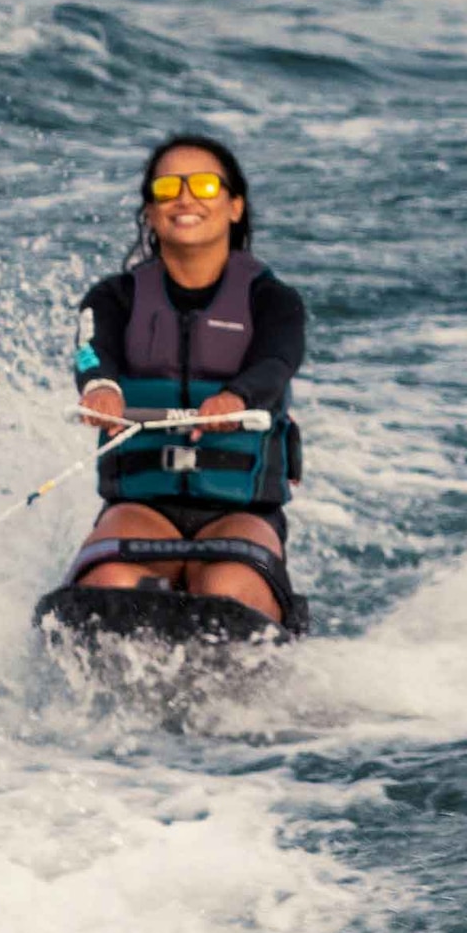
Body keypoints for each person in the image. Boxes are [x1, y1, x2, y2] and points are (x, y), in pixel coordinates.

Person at [66, 133, 308, 625]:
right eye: (167, 187)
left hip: (240, 511)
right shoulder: (113, 297)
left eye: (203, 184)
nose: (185, 197)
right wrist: (101, 389)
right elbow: (93, 355)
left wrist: (235, 397)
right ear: (151, 213)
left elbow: (276, 363)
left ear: (235, 206)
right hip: (141, 505)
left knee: (225, 588)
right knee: (109, 583)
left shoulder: (274, 300)